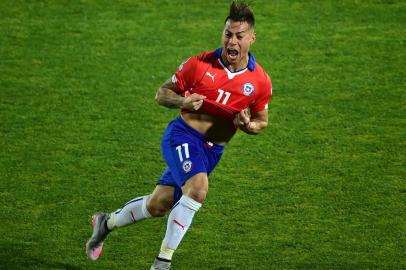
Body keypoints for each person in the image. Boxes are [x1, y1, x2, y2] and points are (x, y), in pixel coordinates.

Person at [85, 1, 272, 269]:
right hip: (183, 137)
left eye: (239, 36)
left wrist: (248, 126)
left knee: (158, 205)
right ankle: (162, 263)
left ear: (252, 38)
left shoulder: (260, 81)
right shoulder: (199, 65)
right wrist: (183, 102)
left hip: (212, 152)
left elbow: (261, 121)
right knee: (197, 190)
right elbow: (162, 94)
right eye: (227, 34)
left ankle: (106, 222)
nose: (232, 41)